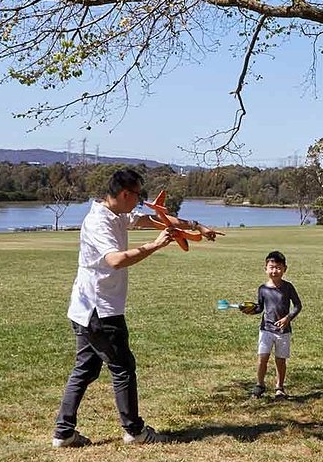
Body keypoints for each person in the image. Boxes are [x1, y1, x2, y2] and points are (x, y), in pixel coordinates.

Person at [52, 169, 220, 447]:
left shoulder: (116, 214)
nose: (139, 202)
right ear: (124, 194)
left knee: (86, 368)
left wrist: (195, 225)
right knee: (123, 368)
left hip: (85, 308)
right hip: (100, 310)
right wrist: (154, 246)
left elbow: (151, 218)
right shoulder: (99, 222)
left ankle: (63, 433)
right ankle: (134, 431)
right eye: (138, 196)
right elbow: (116, 260)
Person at [240, 250, 302, 399]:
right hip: (266, 329)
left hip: (283, 331)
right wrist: (251, 310)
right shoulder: (262, 289)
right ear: (266, 268)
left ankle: (279, 387)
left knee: (280, 360)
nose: (275, 271)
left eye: (279, 267)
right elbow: (260, 308)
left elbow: (298, 305)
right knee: (262, 358)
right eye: (272, 267)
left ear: (285, 269)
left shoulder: (288, 287)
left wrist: (288, 318)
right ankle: (260, 385)